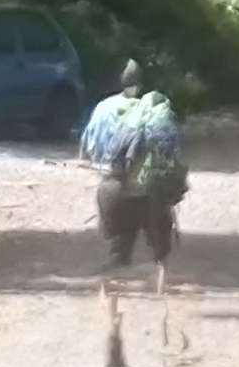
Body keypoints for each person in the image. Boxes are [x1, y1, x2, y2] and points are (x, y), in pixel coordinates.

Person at [79, 57, 188, 291]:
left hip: (114, 192)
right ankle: (160, 265)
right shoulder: (153, 111)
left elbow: (88, 150)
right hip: (153, 193)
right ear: (139, 85)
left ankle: (119, 261)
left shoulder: (103, 108)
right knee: (158, 218)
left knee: (119, 223)